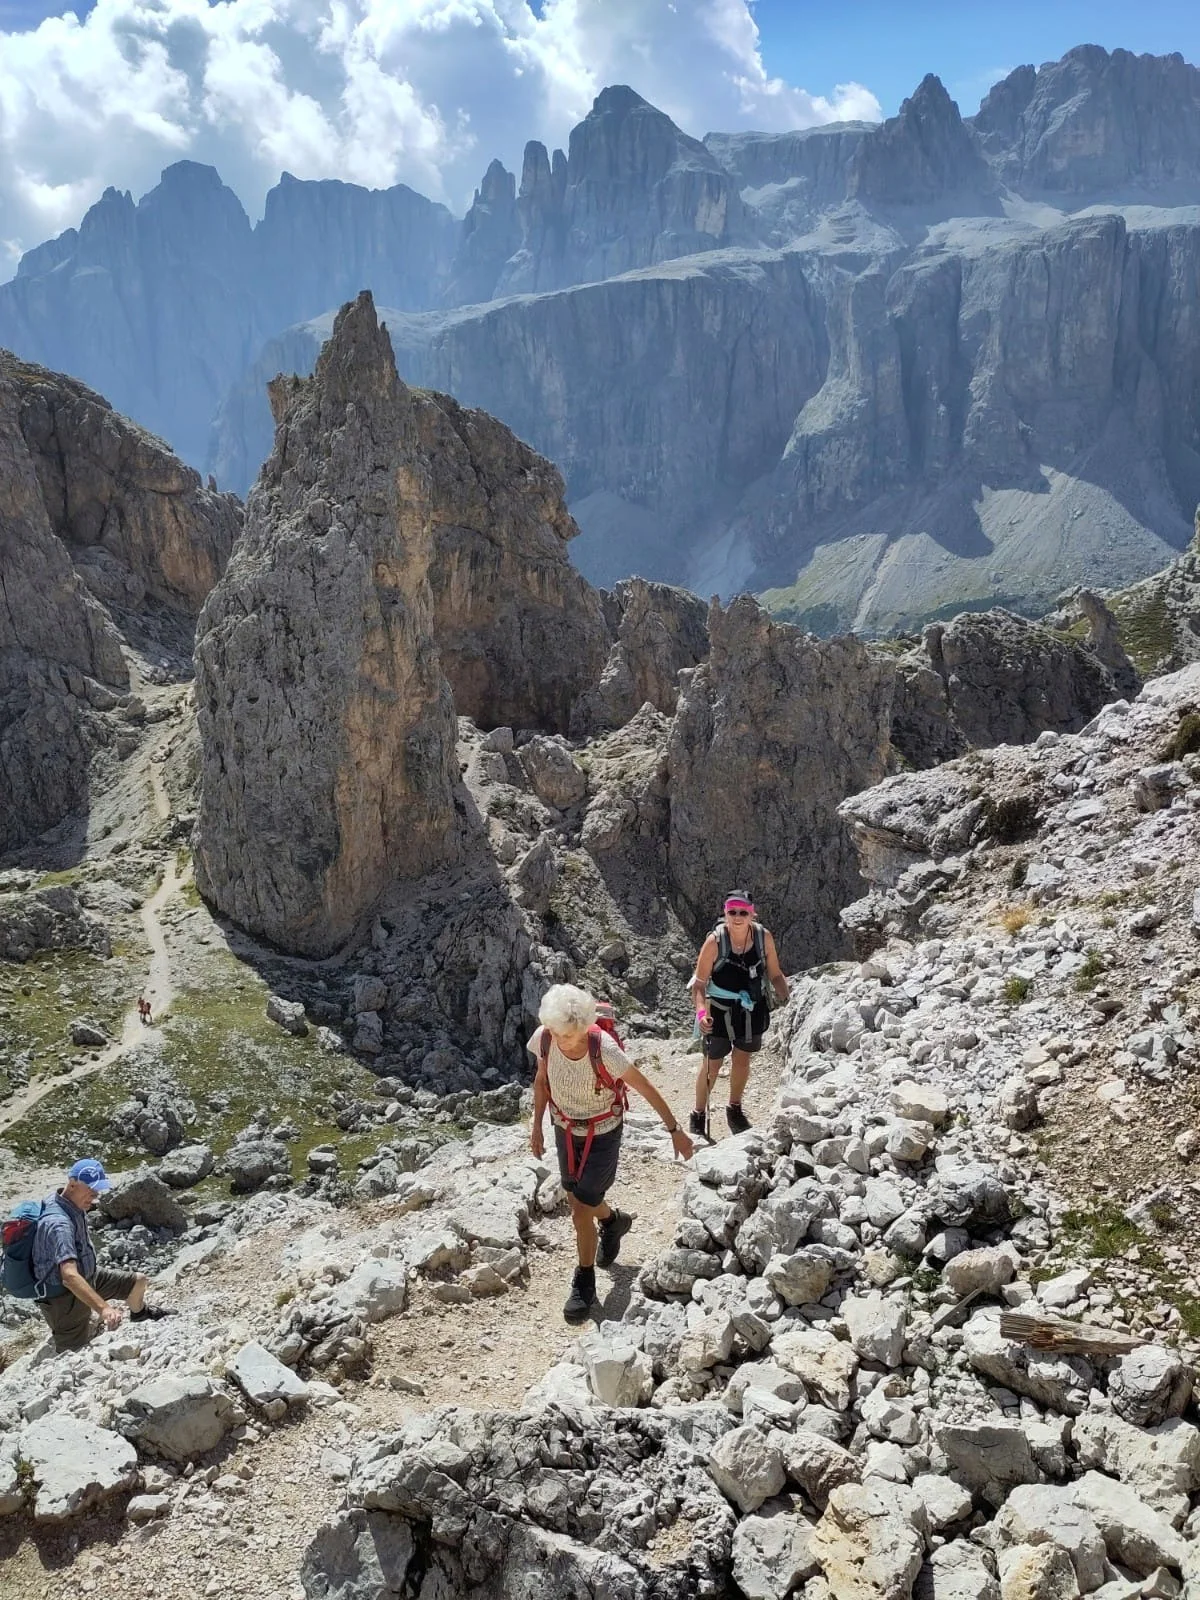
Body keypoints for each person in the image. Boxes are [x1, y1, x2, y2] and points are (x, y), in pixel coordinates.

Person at [529, 984, 694, 1323]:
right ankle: (612, 1221)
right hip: (565, 1128)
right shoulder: (545, 1038)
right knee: (580, 1200)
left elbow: (644, 1086)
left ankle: (584, 1281)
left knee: (579, 1209)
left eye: (572, 1036)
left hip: (602, 1133)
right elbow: (542, 1081)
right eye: (560, 1036)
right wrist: (536, 1127)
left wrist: (675, 1131)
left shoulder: (602, 1048)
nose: (566, 1042)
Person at [32, 1158, 173, 1354]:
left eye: (97, 1189)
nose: (95, 1195)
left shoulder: (71, 1202)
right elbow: (69, 1277)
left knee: (138, 1282)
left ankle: (139, 1315)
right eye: (91, 1189)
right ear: (72, 1184)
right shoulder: (59, 1224)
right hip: (64, 1298)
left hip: (89, 1276)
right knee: (72, 1355)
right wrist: (104, 1309)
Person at [689, 891, 788, 1140]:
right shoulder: (714, 942)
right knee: (713, 1064)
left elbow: (775, 973)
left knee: (742, 1060)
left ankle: (734, 1107)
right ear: (725, 913)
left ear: (752, 913)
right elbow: (699, 984)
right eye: (732, 912)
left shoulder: (763, 938)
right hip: (719, 1011)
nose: (737, 917)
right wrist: (701, 1013)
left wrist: (785, 994)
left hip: (751, 1009)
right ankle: (698, 1114)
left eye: (743, 912)